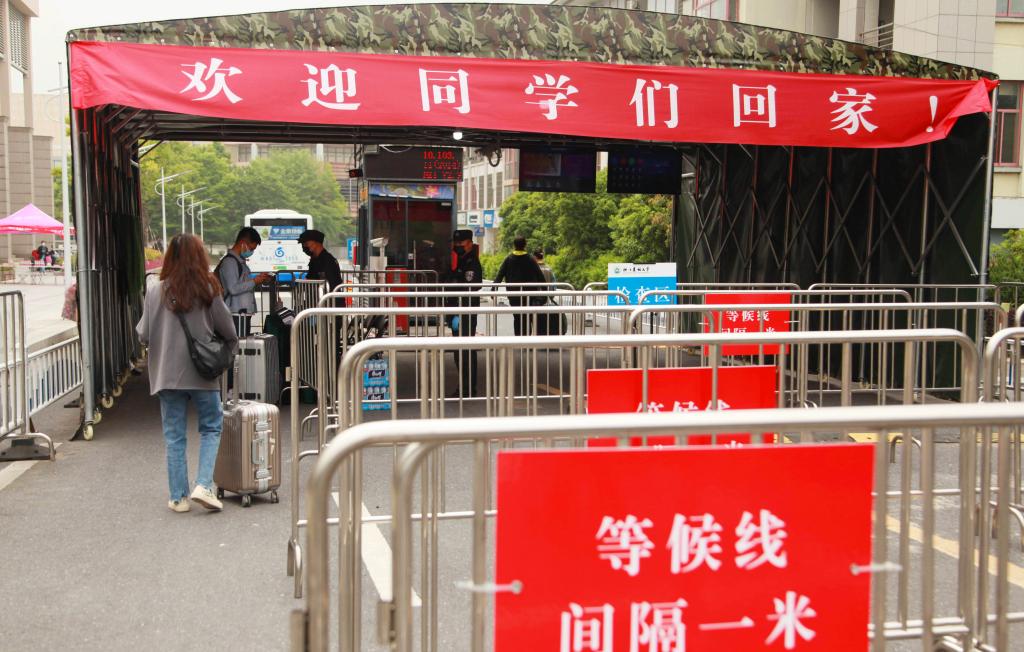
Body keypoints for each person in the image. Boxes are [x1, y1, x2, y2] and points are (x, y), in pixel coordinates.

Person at [137, 233, 239, 513]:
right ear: (199, 256)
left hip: (166, 374)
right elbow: (227, 328)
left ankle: (178, 497)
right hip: (201, 372)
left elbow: (143, 333)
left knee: (174, 436)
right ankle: (203, 485)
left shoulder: (155, 290)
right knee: (211, 427)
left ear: (169, 257)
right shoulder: (208, 287)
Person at [445, 229, 482, 397]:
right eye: (456, 243)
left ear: (470, 244)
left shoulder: (472, 262)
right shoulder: (457, 261)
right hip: (455, 309)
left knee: (466, 350)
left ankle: (468, 388)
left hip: (465, 310)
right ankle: (464, 386)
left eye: (461, 243)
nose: (457, 246)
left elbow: (472, 285)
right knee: (458, 351)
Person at [216, 227, 272, 337]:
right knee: (239, 344)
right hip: (236, 314)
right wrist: (254, 281)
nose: (251, 252)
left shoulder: (240, 262)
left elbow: (242, 283)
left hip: (242, 313)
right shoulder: (230, 262)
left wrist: (259, 280)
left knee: (242, 342)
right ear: (243, 243)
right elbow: (233, 288)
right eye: (251, 248)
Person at [493, 236, 546, 335]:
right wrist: (545, 292)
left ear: (514, 245)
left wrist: (493, 289)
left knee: (517, 317)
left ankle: (518, 338)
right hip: (529, 295)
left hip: (514, 295)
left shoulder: (508, 259)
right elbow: (540, 276)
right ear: (525, 245)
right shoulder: (530, 259)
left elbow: (500, 275)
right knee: (527, 317)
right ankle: (526, 339)